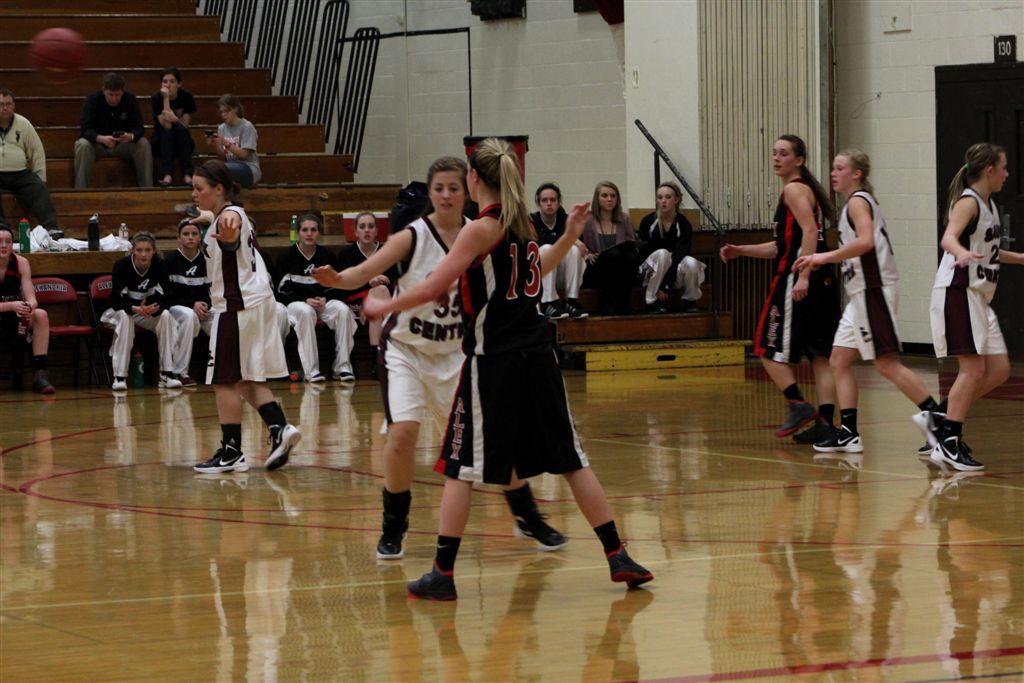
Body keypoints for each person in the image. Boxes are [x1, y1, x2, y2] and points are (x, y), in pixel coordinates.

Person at [361, 139, 653, 600]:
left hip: (493, 360)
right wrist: (569, 237)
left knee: (459, 467)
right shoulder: (524, 226)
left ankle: (442, 573)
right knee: (573, 462)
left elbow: (435, 284)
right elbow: (539, 271)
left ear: (474, 180)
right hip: (540, 357)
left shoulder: (481, 228)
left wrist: (385, 306)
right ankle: (618, 555)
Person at [314, 157, 568, 561]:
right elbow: (362, 272)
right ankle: (393, 524)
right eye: (439, 188)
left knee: (490, 440)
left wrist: (566, 241)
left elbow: (528, 272)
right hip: (406, 351)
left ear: (467, 191)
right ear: (430, 194)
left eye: (454, 188)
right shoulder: (412, 236)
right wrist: (337, 280)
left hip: (456, 355)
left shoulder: (481, 232)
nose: (447, 195)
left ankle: (527, 515)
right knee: (403, 435)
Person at [791, 150, 945, 455]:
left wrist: (824, 257)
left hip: (874, 290)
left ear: (857, 173)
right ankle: (849, 432)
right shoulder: (855, 202)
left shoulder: (858, 201)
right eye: (833, 168)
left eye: (840, 168)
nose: (833, 173)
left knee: (886, 363)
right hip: (860, 294)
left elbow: (866, 242)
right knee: (838, 360)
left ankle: (939, 420)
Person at [719, 134, 840, 442]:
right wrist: (742, 250)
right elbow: (782, 246)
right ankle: (826, 424)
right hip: (823, 280)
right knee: (821, 355)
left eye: (783, 153)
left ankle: (797, 403)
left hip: (797, 279)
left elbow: (810, 232)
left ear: (799, 160)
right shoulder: (805, 190)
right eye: (774, 153)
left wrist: (803, 275)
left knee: (764, 345)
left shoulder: (793, 189)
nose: (776, 158)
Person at [190, 159, 301, 473]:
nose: (194, 194)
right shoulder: (232, 212)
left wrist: (227, 238)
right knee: (246, 377)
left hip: (236, 307)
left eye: (199, 188)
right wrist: (208, 218)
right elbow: (224, 219)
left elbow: (230, 234)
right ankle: (279, 428)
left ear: (219, 189)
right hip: (255, 303)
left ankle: (231, 451)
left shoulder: (230, 218)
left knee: (224, 381)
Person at [925, 142, 1023, 471]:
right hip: (958, 290)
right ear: (989, 170)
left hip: (979, 295)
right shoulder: (968, 202)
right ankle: (948, 442)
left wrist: (1020, 257)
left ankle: (941, 416)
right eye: (1004, 167)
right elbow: (948, 238)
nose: (1007, 174)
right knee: (973, 369)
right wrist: (960, 252)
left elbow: (989, 250)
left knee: (999, 370)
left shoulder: (989, 204)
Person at [276, 214, 357, 383]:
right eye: (305, 230)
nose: (309, 233)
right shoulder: (286, 257)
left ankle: (342, 367)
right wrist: (305, 300)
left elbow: (338, 286)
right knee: (306, 312)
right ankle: (311, 371)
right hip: (297, 304)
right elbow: (280, 291)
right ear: (298, 233)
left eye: (313, 230)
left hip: (322, 303)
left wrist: (325, 298)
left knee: (343, 310)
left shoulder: (327, 256)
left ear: (319, 233)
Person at [101, 232, 185, 391]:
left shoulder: (160, 266)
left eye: (147, 250)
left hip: (145, 313)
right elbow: (116, 300)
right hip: (119, 312)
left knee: (166, 316)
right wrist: (135, 308)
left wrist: (155, 308)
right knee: (125, 318)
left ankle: (167, 373)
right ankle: (119, 377)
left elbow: (167, 297)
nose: (143, 254)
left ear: (154, 251)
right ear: (133, 251)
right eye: (139, 250)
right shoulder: (121, 265)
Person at [335, 211, 398, 373]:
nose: (367, 230)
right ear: (356, 232)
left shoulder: (386, 252)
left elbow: (396, 285)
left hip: (381, 302)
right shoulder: (346, 254)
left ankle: (376, 359)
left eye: (371, 226)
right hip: (355, 302)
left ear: (377, 231)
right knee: (379, 293)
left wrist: (385, 280)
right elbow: (342, 288)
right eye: (362, 227)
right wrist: (368, 283)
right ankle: (391, 352)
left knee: (380, 292)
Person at [636, 181, 707, 313]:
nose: (663, 201)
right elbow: (643, 251)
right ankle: (651, 300)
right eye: (660, 197)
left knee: (691, 262)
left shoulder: (684, 224)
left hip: (672, 271)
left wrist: (665, 285)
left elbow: (680, 254)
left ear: (676, 199)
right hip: (650, 272)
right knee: (663, 254)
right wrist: (659, 284)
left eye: (668, 197)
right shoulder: (648, 221)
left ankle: (690, 300)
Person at [0, 223, 55, 393]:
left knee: (40, 315)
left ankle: (40, 375)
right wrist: (11, 305)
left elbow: (32, 298)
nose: (3, 245)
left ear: (13, 244)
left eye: (8, 241)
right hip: (5, 311)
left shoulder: (21, 263)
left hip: (13, 315)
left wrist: (27, 306)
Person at [74, 72, 153, 188]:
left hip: (122, 145)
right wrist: (100, 138)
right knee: (82, 144)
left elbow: (139, 127)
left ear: (123, 92)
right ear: (103, 90)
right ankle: (81, 190)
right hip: (98, 145)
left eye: (117, 95)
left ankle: (147, 188)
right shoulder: (92, 100)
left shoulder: (130, 99)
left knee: (143, 144)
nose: (114, 99)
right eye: (110, 94)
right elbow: (85, 129)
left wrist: (130, 136)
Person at [0, 88, 58, 231]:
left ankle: (51, 229)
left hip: (19, 173)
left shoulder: (23, 123)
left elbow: (37, 150)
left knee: (38, 188)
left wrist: (40, 177)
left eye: (8, 104)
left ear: (14, 105)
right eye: (1, 104)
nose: (5, 108)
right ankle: (1, 228)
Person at [529, 182, 588, 319]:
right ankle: (549, 303)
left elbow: (581, 246)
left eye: (553, 200)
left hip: (562, 274)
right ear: (538, 203)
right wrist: (571, 238)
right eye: (544, 200)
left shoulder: (566, 219)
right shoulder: (532, 220)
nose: (549, 203)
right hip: (541, 274)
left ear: (559, 202)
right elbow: (540, 242)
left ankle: (571, 301)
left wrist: (572, 240)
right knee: (546, 248)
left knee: (573, 250)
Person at [164, 220, 212, 387]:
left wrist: (205, 305)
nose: (190, 237)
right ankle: (180, 372)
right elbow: (167, 294)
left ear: (200, 238)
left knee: (222, 320)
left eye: (194, 234)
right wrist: (192, 304)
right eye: (186, 234)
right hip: (176, 308)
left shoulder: (207, 260)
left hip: (201, 308)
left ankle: (224, 370)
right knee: (189, 316)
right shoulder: (169, 260)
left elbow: (210, 291)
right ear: (178, 238)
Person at [581, 180, 639, 315]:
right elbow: (575, 242)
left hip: (619, 266)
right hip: (595, 267)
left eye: (613, 196)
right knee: (613, 254)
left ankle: (625, 302)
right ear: (597, 198)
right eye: (605, 195)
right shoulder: (587, 219)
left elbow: (632, 243)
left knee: (630, 256)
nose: (609, 199)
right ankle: (609, 302)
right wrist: (587, 254)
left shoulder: (624, 218)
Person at [150, 67, 197, 187]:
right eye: (165, 81)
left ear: (179, 84)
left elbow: (185, 126)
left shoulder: (186, 96)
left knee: (180, 130)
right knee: (167, 133)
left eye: (172, 81)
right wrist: (166, 98)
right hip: (160, 142)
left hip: (182, 141)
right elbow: (167, 126)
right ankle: (167, 174)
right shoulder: (157, 98)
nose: (168, 85)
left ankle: (187, 174)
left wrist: (175, 119)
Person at [206, 94, 260, 189]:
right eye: (221, 112)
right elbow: (224, 156)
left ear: (235, 109)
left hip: (249, 168)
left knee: (220, 169)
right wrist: (215, 144)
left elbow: (244, 155)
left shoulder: (247, 127)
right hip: (231, 166)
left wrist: (227, 143)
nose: (223, 115)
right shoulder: (222, 128)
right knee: (209, 167)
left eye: (226, 111)